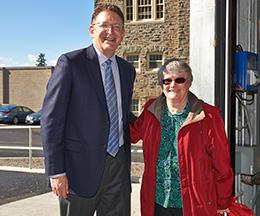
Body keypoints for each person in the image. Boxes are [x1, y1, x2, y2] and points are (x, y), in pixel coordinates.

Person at [41, 3, 135, 216]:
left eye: (117, 27)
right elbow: (52, 120)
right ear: (92, 30)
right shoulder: (71, 63)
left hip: (118, 169)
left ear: (123, 34)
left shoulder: (127, 70)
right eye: (105, 25)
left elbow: (122, 115)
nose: (111, 32)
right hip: (77, 172)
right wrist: (56, 171)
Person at [130, 58, 234, 216]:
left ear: (189, 83)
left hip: (193, 205)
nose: (172, 85)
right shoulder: (150, 113)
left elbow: (222, 164)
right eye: (167, 81)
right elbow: (130, 133)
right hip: (156, 202)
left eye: (179, 80)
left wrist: (223, 201)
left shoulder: (209, 116)